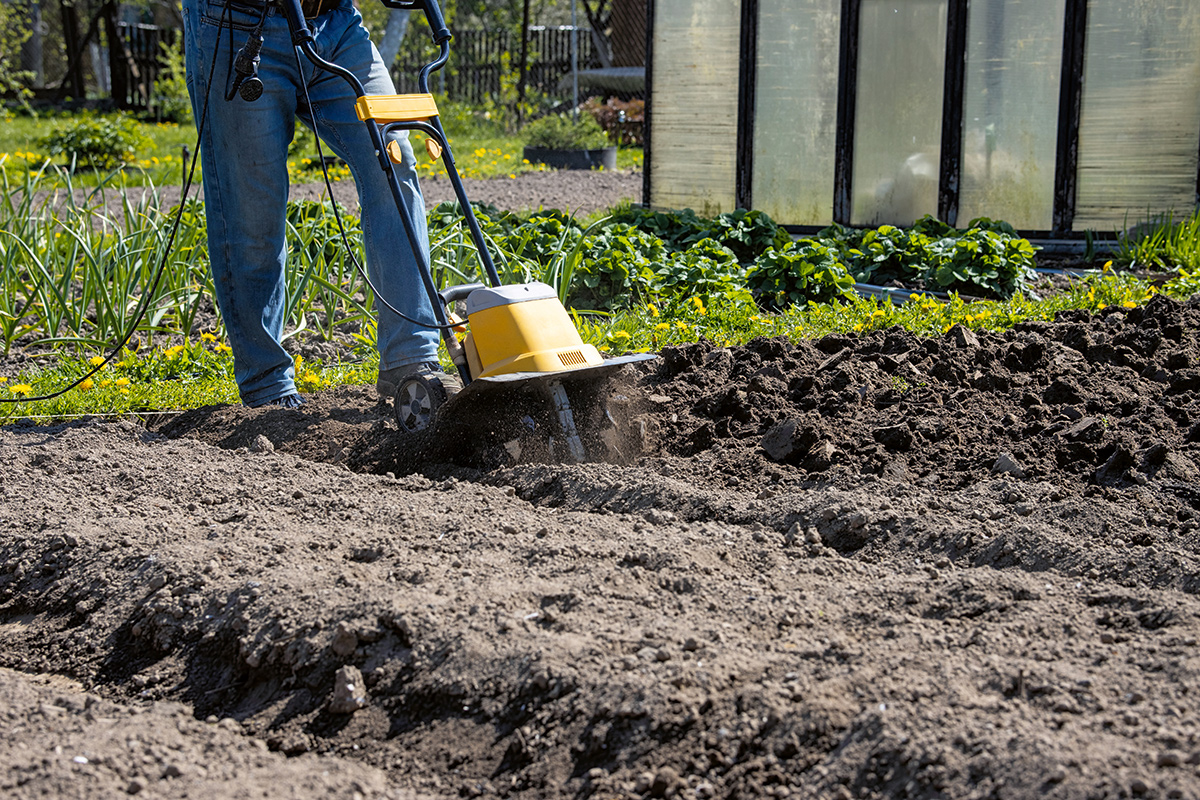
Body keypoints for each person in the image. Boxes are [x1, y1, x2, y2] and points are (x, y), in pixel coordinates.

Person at [181, 0, 457, 407]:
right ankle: (268, 385)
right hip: (239, 24)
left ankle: (411, 360)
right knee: (253, 210)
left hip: (336, 23)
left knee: (393, 159)